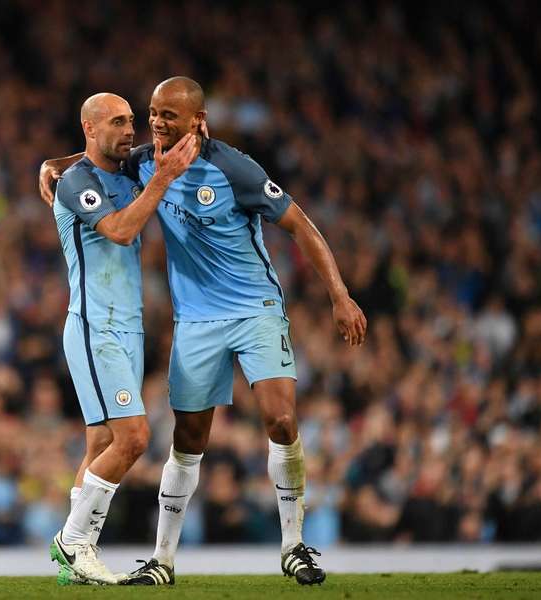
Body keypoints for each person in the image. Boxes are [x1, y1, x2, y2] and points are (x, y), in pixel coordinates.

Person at [40, 77, 366, 586]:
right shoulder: (147, 162)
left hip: (254, 308)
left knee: (280, 419)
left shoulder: (233, 167)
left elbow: (300, 223)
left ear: (198, 119)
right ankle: (161, 559)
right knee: (184, 440)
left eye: (167, 115)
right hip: (192, 321)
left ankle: (293, 546)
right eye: (150, 113)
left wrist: (339, 294)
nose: (153, 124)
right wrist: (52, 165)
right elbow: (92, 158)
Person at [47, 92, 198, 585]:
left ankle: (74, 566)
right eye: (117, 122)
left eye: (131, 121)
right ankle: (75, 543)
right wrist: (160, 180)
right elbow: (119, 230)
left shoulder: (123, 168)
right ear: (89, 128)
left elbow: (166, 146)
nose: (130, 129)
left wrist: (47, 161)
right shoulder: (76, 182)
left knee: (100, 444)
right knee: (133, 437)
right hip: (96, 326)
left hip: (127, 326)